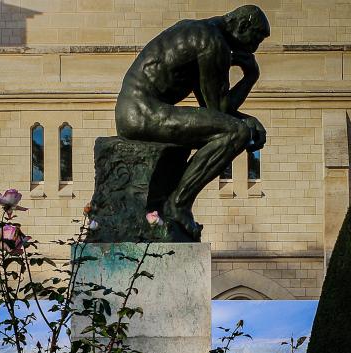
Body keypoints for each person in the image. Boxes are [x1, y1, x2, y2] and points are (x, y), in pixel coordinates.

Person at [115, 5, 270, 240]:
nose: (254, 48)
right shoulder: (212, 42)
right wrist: (251, 77)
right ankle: (178, 204)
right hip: (142, 112)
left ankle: (172, 202)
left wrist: (249, 119)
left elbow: (213, 110)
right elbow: (221, 111)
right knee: (236, 133)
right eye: (256, 39)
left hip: (136, 111)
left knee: (233, 128)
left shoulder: (196, 30)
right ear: (242, 26)